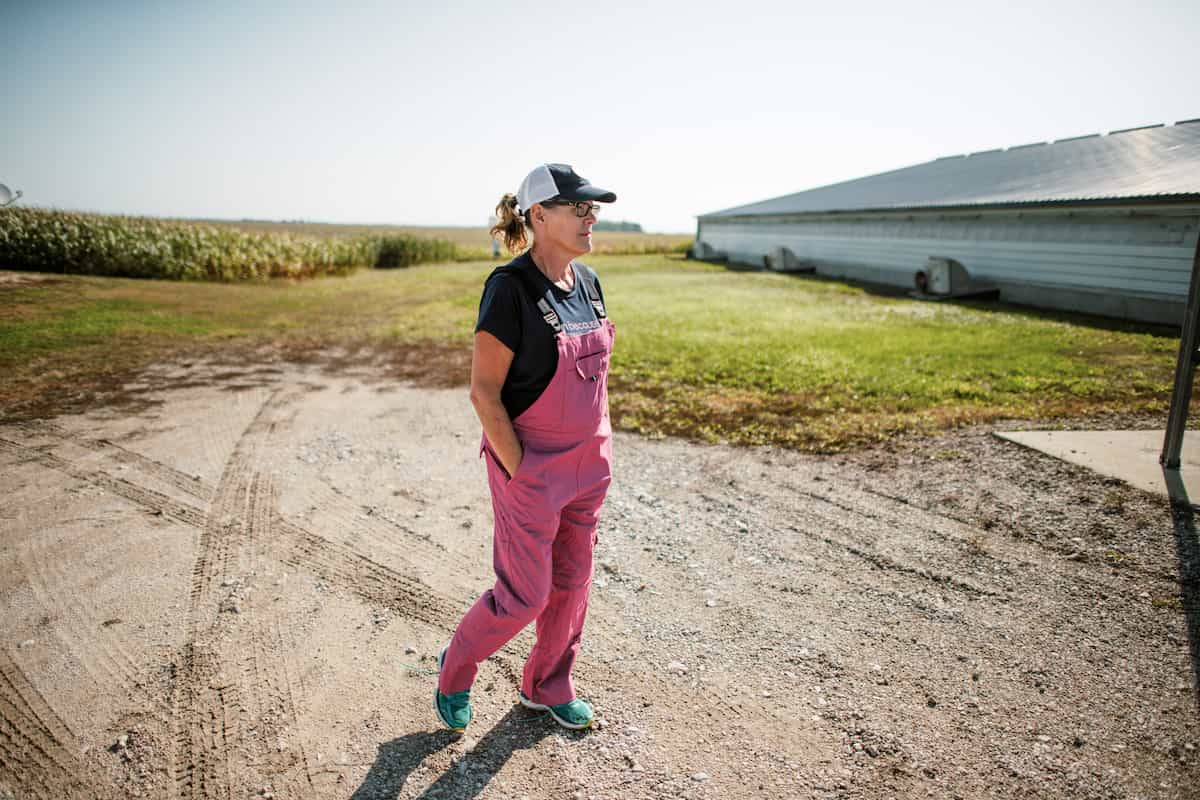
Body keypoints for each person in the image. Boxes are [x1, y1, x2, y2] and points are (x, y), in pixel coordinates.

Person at [435, 164, 617, 732]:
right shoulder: (509, 289)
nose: (591, 217)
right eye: (577, 208)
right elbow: (483, 392)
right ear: (540, 216)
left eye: (593, 209)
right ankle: (456, 668)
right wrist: (522, 471)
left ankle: (547, 685)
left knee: (571, 586)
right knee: (524, 595)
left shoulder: (587, 281)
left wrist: (600, 450)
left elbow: (598, 377)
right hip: (533, 467)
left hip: (589, 467)